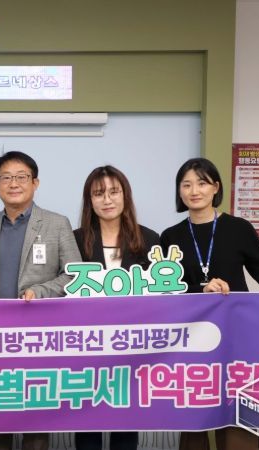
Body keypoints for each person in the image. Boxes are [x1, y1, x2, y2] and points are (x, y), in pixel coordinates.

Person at [160, 157, 259, 450]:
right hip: (192, 341)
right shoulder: (170, 237)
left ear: (216, 187)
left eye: (202, 183)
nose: (194, 191)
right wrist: (201, 289)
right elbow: (166, 292)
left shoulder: (239, 229)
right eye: (186, 185)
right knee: (195, 417)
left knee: (239, 416)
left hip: (238, 337)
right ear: (179, 191)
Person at [0, 151, 81, 450]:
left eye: (21, 177)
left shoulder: (57, 223)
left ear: (35, 183)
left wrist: (41, 292)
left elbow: (75, 275)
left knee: (35, 417)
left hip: (38, 335)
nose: (14, 183)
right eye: (6, 177)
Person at [73, 165, 158, 450]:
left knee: (126, 422)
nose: (107, 200)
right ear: (90, 200)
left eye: (114, 192)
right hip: (87, 346)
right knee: (87, 424)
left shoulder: (149, 239)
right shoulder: (75, 239)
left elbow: (163, 295)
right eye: (99, 193)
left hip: (132, 346)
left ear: (125, 195)